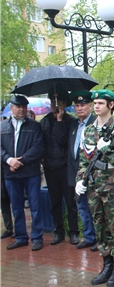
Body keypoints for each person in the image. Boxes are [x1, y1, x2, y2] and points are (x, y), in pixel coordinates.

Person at [75, 89, 114, 287]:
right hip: (94, 186)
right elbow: (84, 159)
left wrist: (106, 149)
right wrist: (80, 180)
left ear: (111, 105)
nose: (96, 106)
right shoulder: (88, 130)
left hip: (113, 184)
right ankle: (106, 264)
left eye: (100, 103)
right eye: (95, 103)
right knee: (100, 227)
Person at [0, 95, 45, 251]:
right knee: (17, 207)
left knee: (35, 205)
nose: (21, 109)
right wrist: (9, 160)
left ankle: (37, 237)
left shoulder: (34, 126)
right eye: (18, 107)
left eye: (24, 107)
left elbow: (39, 147)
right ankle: (20, 237)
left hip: (30, 172)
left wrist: (21, 161)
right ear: (11, 108)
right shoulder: (2, 127)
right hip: (10, 173)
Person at [41, 86, 79, 245]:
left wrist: (59, 120)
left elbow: (62, 140)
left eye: (58, 102)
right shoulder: (44, 121)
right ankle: (59, 232)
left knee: (70, 202)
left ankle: (74, 232)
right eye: (52, 102)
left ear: (64, 104)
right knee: (55, 202)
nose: (55, 105)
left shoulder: (71, 121)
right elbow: (41, 143)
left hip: (65, 168)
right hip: (50, 168)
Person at [67, 90, 97, 250]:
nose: (80, 108)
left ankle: (99, 237)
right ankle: (89, 236)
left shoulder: (95, 123)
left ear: (90, 106)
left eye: (83, 105)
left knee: (95, 207)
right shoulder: (73, 125)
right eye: (77, 105)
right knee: (82, 206)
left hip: (92, 173)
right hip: (76, 173)